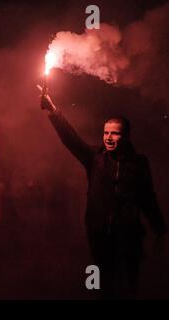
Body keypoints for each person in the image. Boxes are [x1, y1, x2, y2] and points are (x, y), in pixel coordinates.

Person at [40, 92, 167, 299]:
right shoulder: (95, 158)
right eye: (106, 132)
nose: (108, 137)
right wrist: (53, 111)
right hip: (99, 233)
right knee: (102, 283)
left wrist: (159, 229)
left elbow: (147, 197)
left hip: (129, 234)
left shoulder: (139, 163)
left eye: (114, 134)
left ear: (126, 136)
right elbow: (70, 139)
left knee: (128, 284)